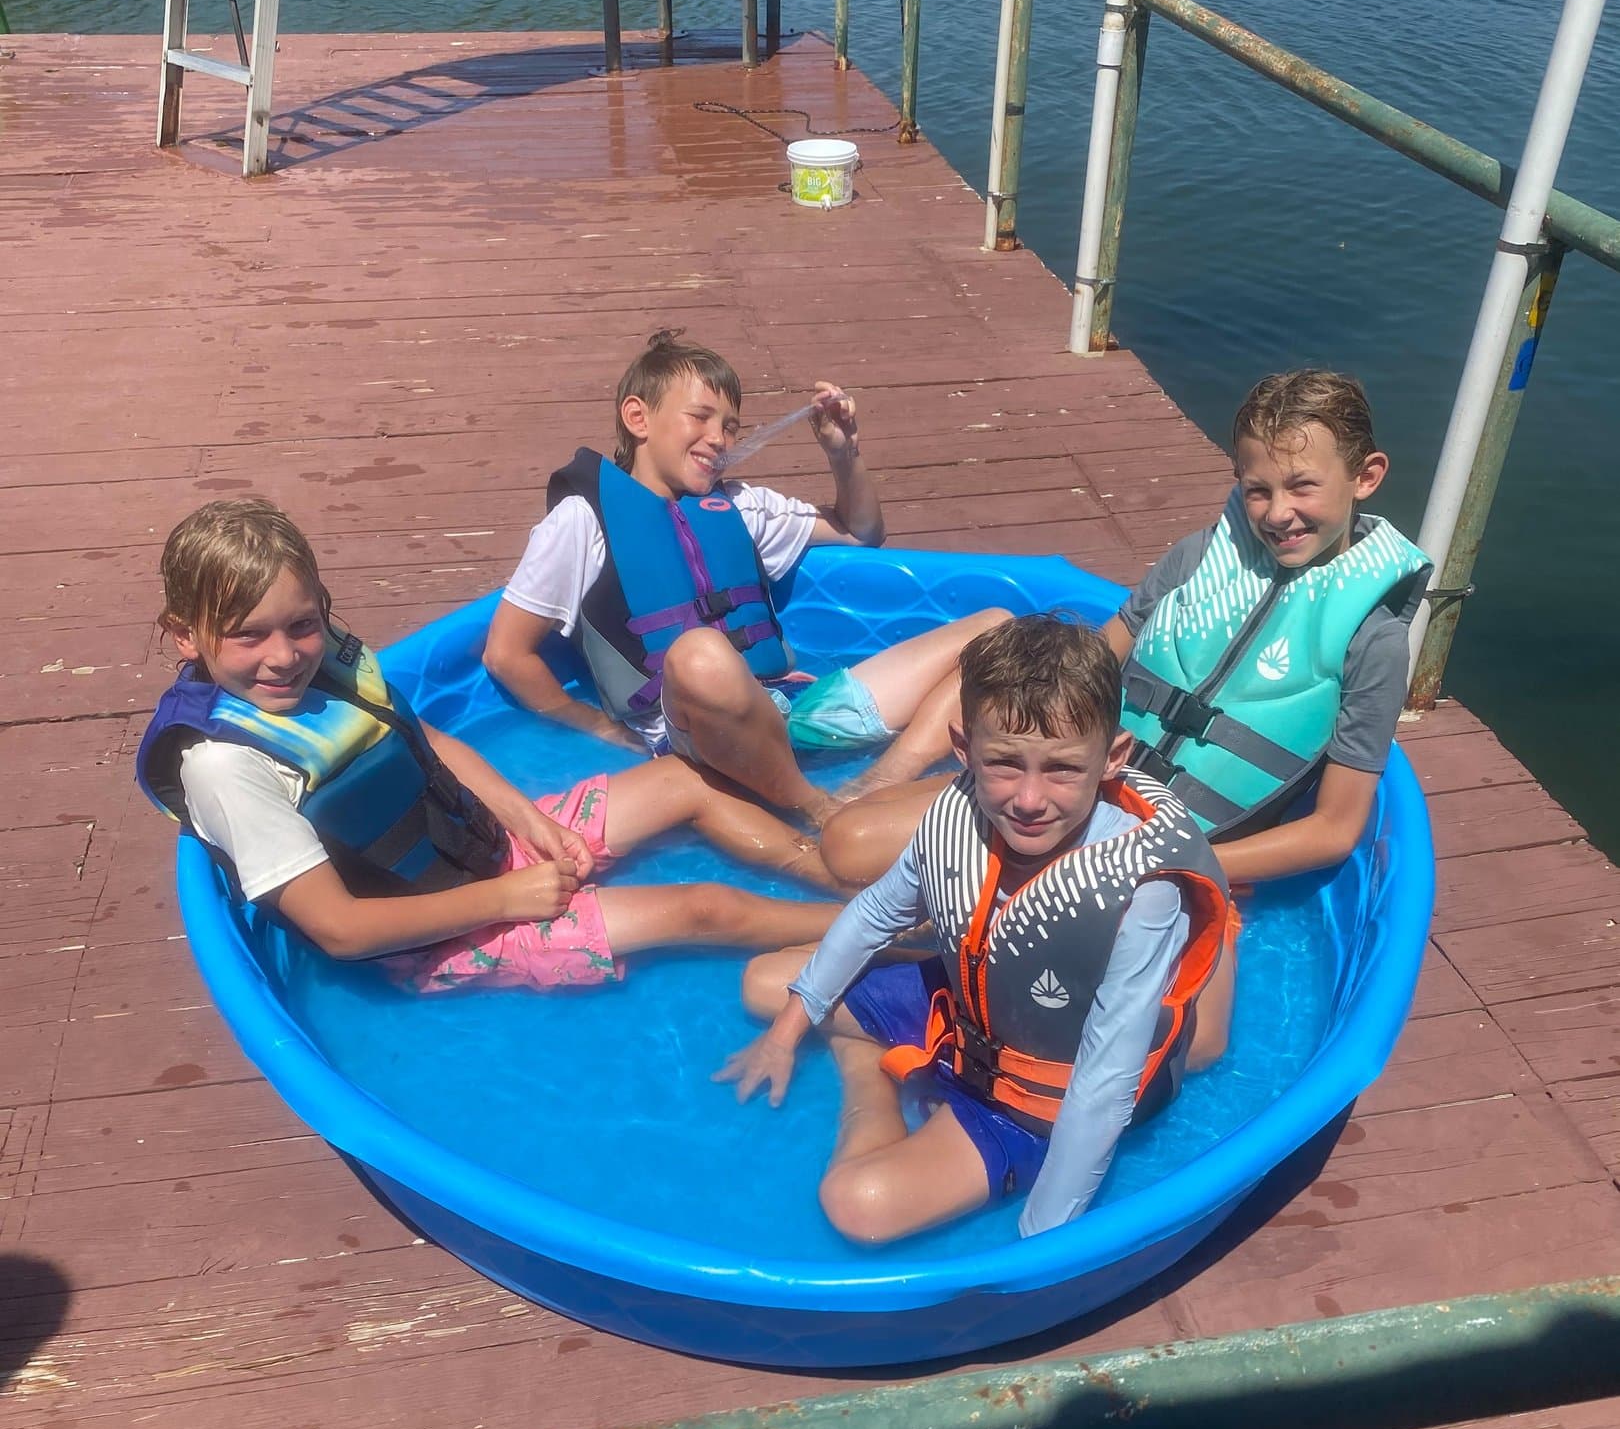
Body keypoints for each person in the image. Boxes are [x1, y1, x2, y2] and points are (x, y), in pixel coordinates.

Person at [138, 499, 842, 995]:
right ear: (186, 635)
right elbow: (342, 930)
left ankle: (840, 873)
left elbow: (426, 741)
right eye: (249, 635)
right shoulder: (228, 767)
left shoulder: (321, 665)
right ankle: (869, 932)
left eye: (301, 624)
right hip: (434, 938)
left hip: (487, 848)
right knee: (705, 908)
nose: (285, 655)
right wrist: (506, 898)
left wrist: (529, 821)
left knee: (685, 782)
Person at [717, 615, 1232, 1245]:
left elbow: (1105, 1081)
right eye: (1005, 764)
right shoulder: (957, 813)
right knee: (765, 985)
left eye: (1063, 769)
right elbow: (877, 913)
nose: (1030, 799)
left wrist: (1044, 1245)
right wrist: (785, 1035)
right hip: (968, 1011)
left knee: (859, 1206)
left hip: (1040, 1097)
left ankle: (865, 1073)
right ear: (963, 750)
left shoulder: (1139, 893)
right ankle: (875, 1052)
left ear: (1113, 759)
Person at [816, 368, 1431, 891]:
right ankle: (881, 790)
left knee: (851, 852)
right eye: (1257, 491)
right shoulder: (1200, 561)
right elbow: (1078, 669)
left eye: (1302, 487)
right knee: (847, 833)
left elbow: (1334, 830)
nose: (1277, 513)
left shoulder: (1370, 641)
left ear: (1365, 476)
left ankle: (824, 932)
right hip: (1074, 790)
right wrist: (1006, 765)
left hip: (1159, 853)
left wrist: (1177, 867)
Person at [483, 329, 1009, 828]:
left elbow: (861, 531)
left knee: (997, 631)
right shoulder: (583, 521)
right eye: (700, 417)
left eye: (730, 426)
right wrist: (596, 726)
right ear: (638, 418)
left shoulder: (739, 507)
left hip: (793, 709)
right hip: (695, 735)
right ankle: (817, 809)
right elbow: (506, 654)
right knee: (699, 655)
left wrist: (842, 452)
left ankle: (876, 784)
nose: (718, 438)